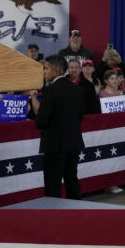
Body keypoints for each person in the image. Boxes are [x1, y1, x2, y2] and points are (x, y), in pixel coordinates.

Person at [32, 55, 85, 200]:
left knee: (52, 185)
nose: (44, 72)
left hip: (54, 145)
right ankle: (77, 214)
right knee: (72, 179)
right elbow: (80, 117)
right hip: (73, 142)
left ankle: (54, 217)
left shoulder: (51, 90)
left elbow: (41, 121)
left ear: (56, 70)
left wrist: (34, 102)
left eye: (46, 68)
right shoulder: (77, 90)